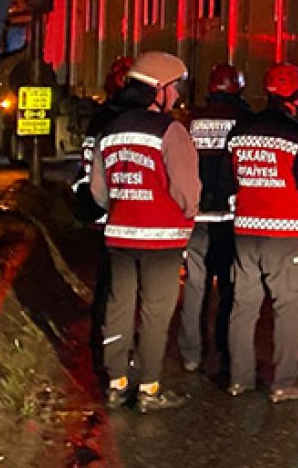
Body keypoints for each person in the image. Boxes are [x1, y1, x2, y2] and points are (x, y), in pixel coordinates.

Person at [89, 51, 201, 413]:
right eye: (175, 88)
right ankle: (149, 388)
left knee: (118, 307)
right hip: (162, 239)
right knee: (155, 312)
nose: (178, 95)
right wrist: (187, 216)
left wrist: (122, 209)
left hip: (120, 235)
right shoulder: (171, 131)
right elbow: (187, 191)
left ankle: (116, 383)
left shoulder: (111, 130)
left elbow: (98, 191)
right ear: (160, 89)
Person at [224, 63, 298, 403]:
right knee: (290, 309)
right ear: (297, 93)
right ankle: (284, 382)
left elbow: (229, 181)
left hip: (245, 232)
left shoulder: (240, 131)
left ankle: (239, 379)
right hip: (287, 236)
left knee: (243, 307)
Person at [178, 64, 251, 373]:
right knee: (230, 285)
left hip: (196, 214)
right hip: (230, 216)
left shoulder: (191, 120)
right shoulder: (245, 120)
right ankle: (225, 348)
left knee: (196, 286)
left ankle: (191, 353)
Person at [72, 56, 135, 223]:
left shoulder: (100, 119)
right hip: (126, 214)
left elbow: (89, 163)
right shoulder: (146, 122)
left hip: (98, 209)